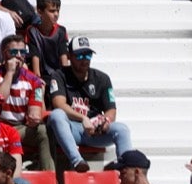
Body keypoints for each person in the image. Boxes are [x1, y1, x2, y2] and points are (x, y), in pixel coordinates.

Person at [46, 36, 133, 172]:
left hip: (94, 131)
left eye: (88, 55)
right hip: (70, 128)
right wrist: (83, 118)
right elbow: (59, 104)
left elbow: (111, 110)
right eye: (80, 56)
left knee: (121, 129)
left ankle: (128, 169)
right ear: (69, 56)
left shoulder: (102, 78)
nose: (85, 59)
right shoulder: (59, 75)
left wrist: (104, 121)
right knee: (57, 115)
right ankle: (77, 161)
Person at [0, 33, 53, 171]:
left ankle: (49, 176)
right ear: (4, 53)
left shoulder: (34, 80)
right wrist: (9, 73)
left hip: (20, 127)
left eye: (23, 52)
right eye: (14, 52)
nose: (19, 55)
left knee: (43, 130)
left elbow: (35, 112)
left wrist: (34, 118)